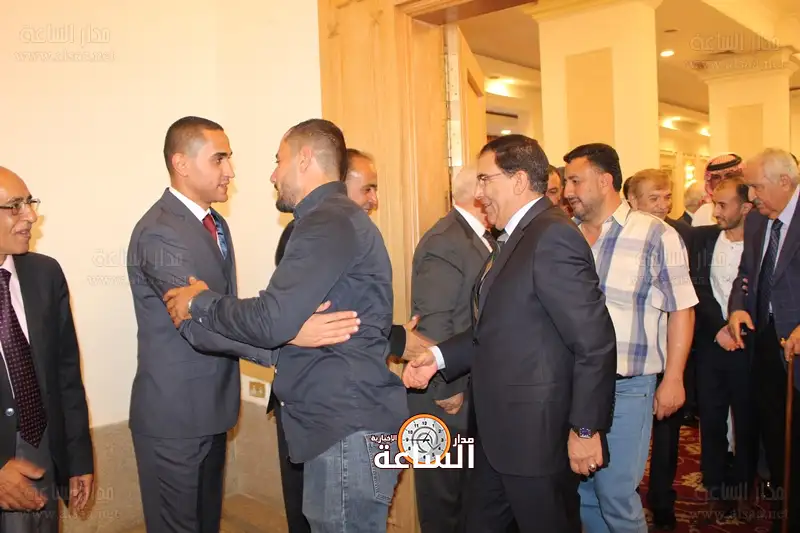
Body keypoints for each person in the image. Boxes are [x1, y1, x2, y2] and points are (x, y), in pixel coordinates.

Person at [162, 118, 408, 532]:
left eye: (279, 161)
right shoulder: (333, 220)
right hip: (343, 426)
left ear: (305, 159)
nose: (273, 175)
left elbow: (271, 318)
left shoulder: (327, 221)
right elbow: (282, 324)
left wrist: (199, 301)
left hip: (345, 429)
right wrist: (290, 331)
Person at [127, 116, 356, 532]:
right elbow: (194, 325)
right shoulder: (159, 232)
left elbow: (221, 309)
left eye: (229, 158)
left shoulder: (217, 225)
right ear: (181, 164)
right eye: (219, 159)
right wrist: (286, 340)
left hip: (213, 409)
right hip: (174, 417)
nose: (231, 170)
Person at [403, 134, 618, 533]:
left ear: (519, 181)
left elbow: (595, 342)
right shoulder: (518, 236)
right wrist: (438, 358)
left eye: (486, 180)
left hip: (535, 443)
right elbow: (497, 330)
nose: (479, 193)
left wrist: (586, 429)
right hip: (498, 437)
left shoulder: (551, 236)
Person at [562, 143, 697, 533]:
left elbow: (681, 308)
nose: (567, 191)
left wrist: (674, 378)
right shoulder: (565, 236)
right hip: (573, 388)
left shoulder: (655, 234)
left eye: (575, 181)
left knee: (616, 496)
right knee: (584, 493)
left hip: (627, 388)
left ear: (605, 181)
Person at [0, 167, 93, 532]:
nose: (31, 216)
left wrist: (78, 457)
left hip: (43, 455)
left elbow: (66, 375)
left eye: (30, 203)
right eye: (15, 206)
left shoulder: (45, 274)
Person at [407, 165, 491, 533]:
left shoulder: (480, 237)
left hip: (466, 389)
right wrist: (448, 387)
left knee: (466, 500)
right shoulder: (445, 240)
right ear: (478, 194)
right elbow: (434, 321)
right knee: (442, 503)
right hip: (443, 395)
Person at [729, 148, 800, 533]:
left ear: (784, 182)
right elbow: (745, 274)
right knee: (776, 437)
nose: (752, 196)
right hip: (766, 345)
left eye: (757, 187)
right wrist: (738, 307)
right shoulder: (757, 220)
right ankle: (783, 515)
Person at [626, 168, 695, 529]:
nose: (662, 205)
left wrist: (677, 371)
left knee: (666, 433)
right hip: (632, 359)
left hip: (670, 354)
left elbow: (687, 304)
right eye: (653, 198)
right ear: (632, 200)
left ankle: (662, 499)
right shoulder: (614, 236)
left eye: (667, 197)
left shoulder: (678, 235)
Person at [689, 176, 755, 524]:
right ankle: (715, 490)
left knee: (747, 421)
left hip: (748, 346)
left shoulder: (761, 244)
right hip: (711, 345)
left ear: (746, 208)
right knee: (711, 421)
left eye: (723, 205)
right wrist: (719, 328)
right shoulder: (701, 239)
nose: (715, 211)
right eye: (714, 203)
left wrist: (738, 330)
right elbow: (695, 288)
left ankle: (742, 490)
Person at [692, 154, 744, 227]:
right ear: (709, 181)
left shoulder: (754, 210)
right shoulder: (703, 212)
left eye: (729, 175)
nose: (723, 181)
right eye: (716, 177)